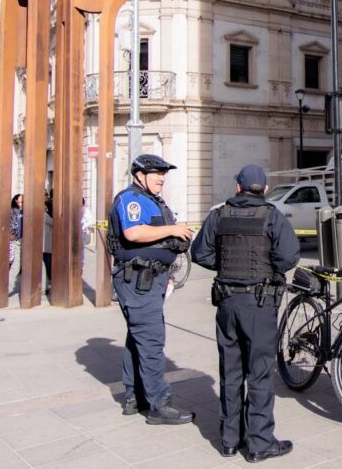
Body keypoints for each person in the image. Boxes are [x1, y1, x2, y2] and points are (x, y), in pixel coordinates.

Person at [191, 165, 299, 461]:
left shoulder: (219, 214)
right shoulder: (272, 216)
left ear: (238, 186)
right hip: (260, 303)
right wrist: (266, 267)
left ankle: (228, 440)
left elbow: (199, 253)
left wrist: (225, 268)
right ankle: (259, 444)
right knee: (260, 372)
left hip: (227, 302)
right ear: (263, 189)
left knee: (231, 370)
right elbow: (289, 256)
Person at [106, 154, 195, 425]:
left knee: (138, 338)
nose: (161, 178)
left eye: (163, 174)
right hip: (138, 279)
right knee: (152, 340)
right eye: (156, 173)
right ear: (139, 175)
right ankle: (159, 403)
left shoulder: (152, 200)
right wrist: (173, 229)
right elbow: (133, 233)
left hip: (150, 278)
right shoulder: (131, 199)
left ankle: (135, 397)